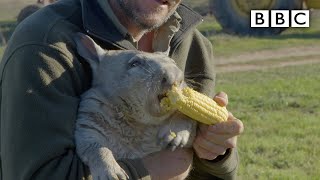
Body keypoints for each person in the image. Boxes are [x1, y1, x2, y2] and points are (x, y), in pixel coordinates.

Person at [0, 0, 244, 179]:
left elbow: (212, 174)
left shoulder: (193, 45)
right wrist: (148, 168)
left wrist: (216, 153)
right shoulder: (45, 44)